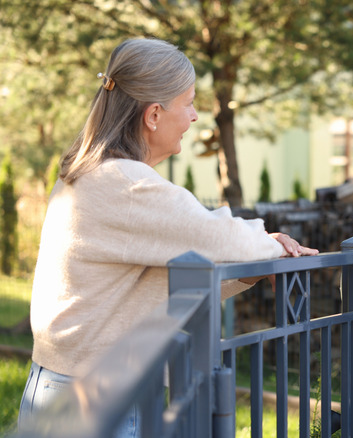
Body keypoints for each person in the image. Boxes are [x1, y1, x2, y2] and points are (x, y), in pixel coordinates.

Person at [17, 38, 317, 437]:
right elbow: (226, 238)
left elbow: (158, 284)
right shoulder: (126, 184)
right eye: (189, 102)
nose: (195, 116)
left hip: (73, 386)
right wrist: (272, 245)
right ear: (154, 114)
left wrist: (251, 273)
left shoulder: (100, 175)